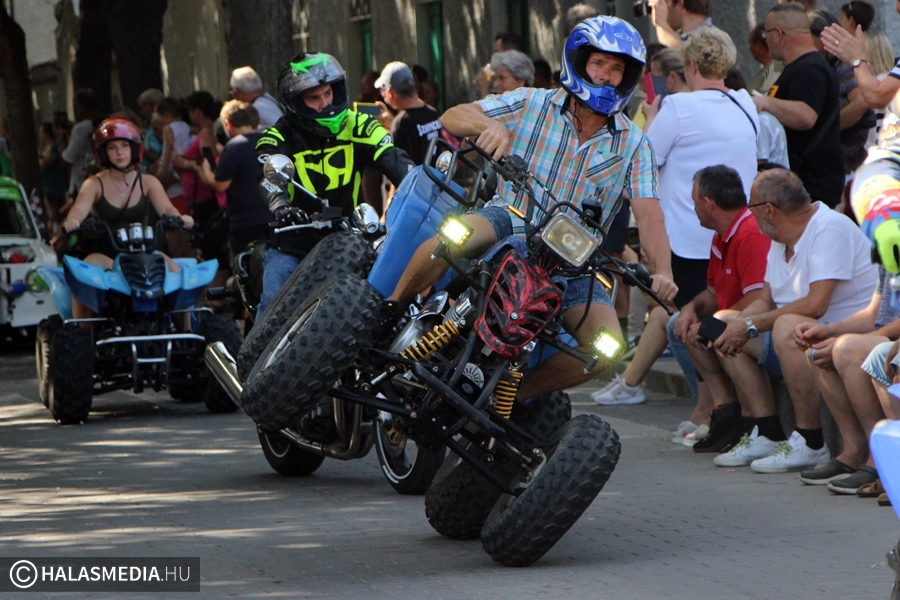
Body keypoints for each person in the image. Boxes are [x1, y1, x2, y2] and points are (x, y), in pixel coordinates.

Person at [388, 16, 678, 402]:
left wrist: (663, 272)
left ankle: (509, 396)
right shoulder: (532, 102)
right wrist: (488, 127)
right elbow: (452, 115)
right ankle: (389, 311)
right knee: (454, 235)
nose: (607, 76)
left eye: (616, 69)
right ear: (578, 63)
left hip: (573, 262)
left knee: (606, 349)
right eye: (598, 64)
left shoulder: (635, 144)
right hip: (511, 218)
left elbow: (650, 214)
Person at [594, 27, 758, 407]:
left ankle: (710, 408)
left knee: (684, 321)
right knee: (681, 316)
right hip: (733, 232)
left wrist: (651, 116)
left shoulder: (679, 107)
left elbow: (642, 160)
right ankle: (693, 404)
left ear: (691, 65)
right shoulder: (744, 104)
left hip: (686, 235)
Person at [710, 169, 877, 473]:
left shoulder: (829, 228)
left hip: (839, 332)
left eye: (752, 205)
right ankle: (766, 430)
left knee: (789, 324)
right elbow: (764, 301)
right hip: (801, 339)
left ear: (769, 210)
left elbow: (816, 305)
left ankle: (811, 440)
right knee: (724, 322)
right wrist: (734, 326)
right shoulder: (780, 238)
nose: (749, 212)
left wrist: (749, 327)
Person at [254, 52, 413, 320]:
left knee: (383, 301)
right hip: (293, 243)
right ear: (296, 102)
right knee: (273, 305)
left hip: (347, 239)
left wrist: (420, 183)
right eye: (313, 98)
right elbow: (267, 176)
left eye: (328, 93)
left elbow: (393, 158)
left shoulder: (359, 124)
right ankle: (255, 361)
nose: (324, 103)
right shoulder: (278, 135)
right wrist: (281, 206)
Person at [669, 166, 771, 447]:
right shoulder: (721, 234)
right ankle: (722, 410)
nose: (694, 208)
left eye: (694, 201)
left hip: (762, 324)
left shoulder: (750, 233)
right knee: (683, 324)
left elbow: (758, 300)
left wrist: (715, 320)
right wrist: (691, 308)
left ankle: (759, 425)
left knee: (718, 332)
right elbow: (713, 291)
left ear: (708, 203)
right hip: (741, 319)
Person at [61, 118, 194, 321]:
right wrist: (73, 221)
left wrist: (179, 218)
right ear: (103, 152)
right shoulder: (94, 184)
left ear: (135, 148)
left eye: (125, 145)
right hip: (106, 253)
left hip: (145, 251)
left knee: (179, 276)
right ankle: (80, 330)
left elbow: (167, 208)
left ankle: (186, 333)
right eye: (112, 147)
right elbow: (78, 209)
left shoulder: (148, 181)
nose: (120, 152)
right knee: (84, 276)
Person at [785, 266, 896, 492]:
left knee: (847, 348)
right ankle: (854, 450)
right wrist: (830, 331)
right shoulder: (889, 249)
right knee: (818, 348)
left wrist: (846, 339)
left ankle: (879, 458)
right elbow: (873, 314)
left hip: (893, 342)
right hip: (885, 338)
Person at [753, 3, 843, 209]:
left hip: (812, 191)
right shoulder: (802, 67)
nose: (766, 41)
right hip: (806, 188)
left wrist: (765, 102)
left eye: (766, 34)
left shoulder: (809, 69)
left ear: (778, 34)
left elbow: (806, 116)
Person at [187, 100, 271, 259]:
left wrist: (203, 169)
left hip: (245, 221)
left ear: (228, 124)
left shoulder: (234, 146)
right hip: (272, 215)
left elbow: (220, 185)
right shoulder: (269, 140)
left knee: (247, 267)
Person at [375, 62, 443, 166]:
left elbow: (401, 172)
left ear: (390, 93)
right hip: (433, 180)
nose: (382, 94)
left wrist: (394, 126)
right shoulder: (432, 113)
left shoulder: (401, 123)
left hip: (414, 182)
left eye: (382, 90)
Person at [62, 88, 100, 202]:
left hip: (81, 182)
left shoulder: (80, 129)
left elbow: (68, 158)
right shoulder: (100, 124)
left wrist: (60, 139)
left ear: (81, 107)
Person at [647, 0, 713, 48]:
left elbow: (684, 60)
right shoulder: (682, 38)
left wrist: (661, 23)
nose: (661, 9)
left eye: (666, 3)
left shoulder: (711, 40)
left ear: (681, 3)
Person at [748, 23, 783, 95]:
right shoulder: (771, 69)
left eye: (751, 44)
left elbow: (770, 97)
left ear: (759, 47)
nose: (750, 49)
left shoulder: (776, 70)